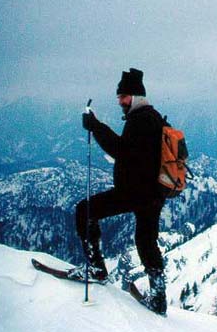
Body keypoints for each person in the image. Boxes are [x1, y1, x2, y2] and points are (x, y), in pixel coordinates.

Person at [72, 68, 168, 316]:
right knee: (146, 241)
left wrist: (95, 126)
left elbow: (121, 150)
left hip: (134, 191)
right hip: (153, 193)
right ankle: (158, 298)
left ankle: (96, 268)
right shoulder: (152, 117)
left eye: (123, 97)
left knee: (86, 210)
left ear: (135, 96)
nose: (120, 102)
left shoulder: (141, 119)